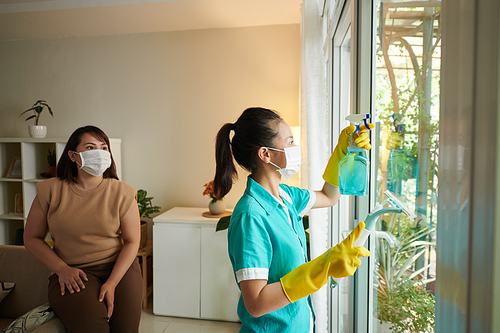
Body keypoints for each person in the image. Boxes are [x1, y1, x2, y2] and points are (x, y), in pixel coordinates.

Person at [213, 107, 373, 332]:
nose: (295, 148)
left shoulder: (286, 196)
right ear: (265, 154)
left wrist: (343, 152)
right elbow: (256, 304)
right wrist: (324, 266)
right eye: (289, 142)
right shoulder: (251, 216)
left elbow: (329, 196)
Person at [23, 125, 143, 333]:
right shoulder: (50, 190)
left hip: (119, 269)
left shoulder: (123, 192)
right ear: (73, 155)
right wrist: (62, 269)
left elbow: (132, 242)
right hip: (73, 272)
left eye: (104, 147)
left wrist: (112, 283)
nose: (99, 152)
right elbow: (32, 238)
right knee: (92, 327)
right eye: (90, 147)